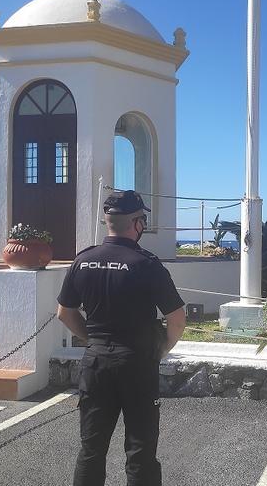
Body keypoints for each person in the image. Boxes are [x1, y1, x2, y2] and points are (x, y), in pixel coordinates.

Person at [56, 189, 186, 486]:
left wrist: (94, 340)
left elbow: (65, 312)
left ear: (108, 222)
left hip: (96, 364)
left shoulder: (84, 260)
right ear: (137, 222)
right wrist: (162, 350)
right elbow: (177, 320)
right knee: (140, 452)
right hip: (137, 364)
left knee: (91, 450)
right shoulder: (146, 264)